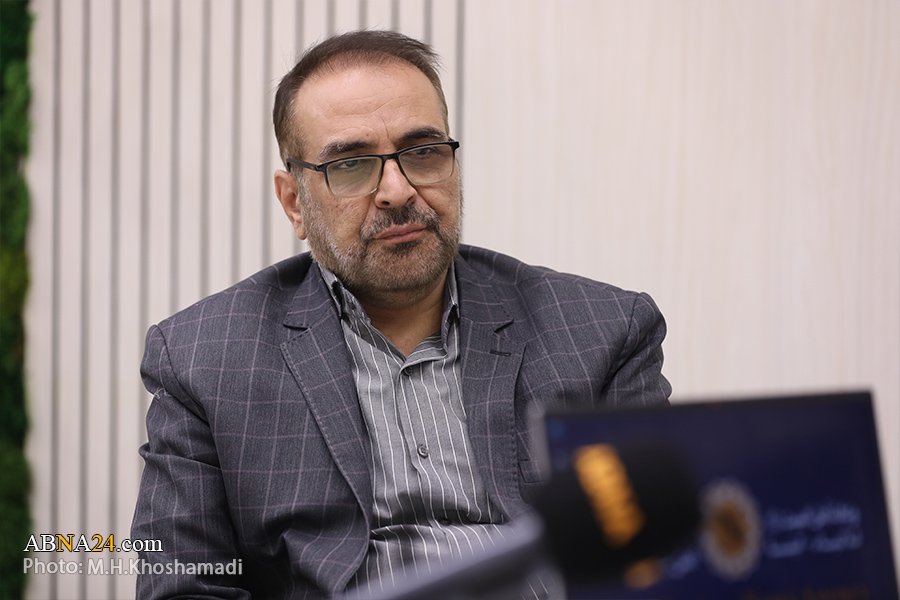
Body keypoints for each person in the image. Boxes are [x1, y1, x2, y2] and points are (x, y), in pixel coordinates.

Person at [131, 29, 671, 600]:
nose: (397, 189)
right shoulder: (204, 359)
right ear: (294, 203)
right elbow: (183, 584)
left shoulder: (601, 331)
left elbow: (664, 558)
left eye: (423, 152)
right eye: (351, 164)